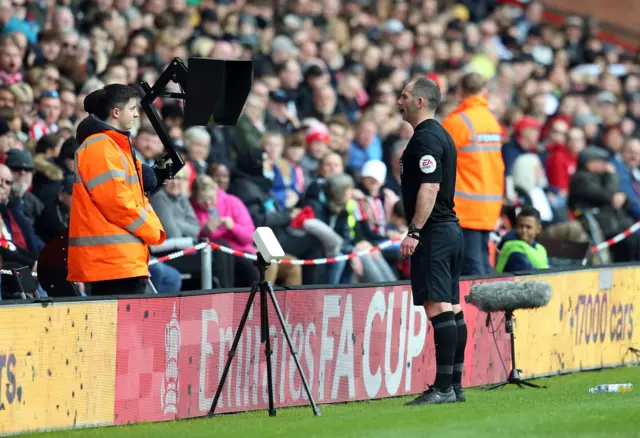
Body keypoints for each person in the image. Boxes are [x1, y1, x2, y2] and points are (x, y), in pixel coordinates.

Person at [397, 77, 466, 405]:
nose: (399, 100)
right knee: (452, 308)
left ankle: (443, 389)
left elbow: (430, 187)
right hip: (450, 230)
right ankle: (455, 385)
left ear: (420, 102)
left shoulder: (425, 139)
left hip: (435, 233)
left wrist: (414, 231)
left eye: (405, 95)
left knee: (438, 307)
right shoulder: (441, 135)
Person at [68, 84, 166, 296]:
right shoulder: (101, 146)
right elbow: (116, 202)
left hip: (119, 259)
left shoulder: (113, 145)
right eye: (132, 108)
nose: (136, 114)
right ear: (115, 112)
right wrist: (151, 229)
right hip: (113, 261)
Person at [442, 72, 504, 276]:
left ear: (460, 92)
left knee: (472, 264)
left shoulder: (456, 123)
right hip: (489, 203)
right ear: (484, 92)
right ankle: (491, 305)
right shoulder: (491, 121)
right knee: (483, 261)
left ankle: (480, 307)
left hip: (465, 205)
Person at [495, 206, 549, 273]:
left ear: (538, 229)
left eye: (528, 227)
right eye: (520, 226)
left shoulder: (540, 248)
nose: (524, 230)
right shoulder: (513, 249)